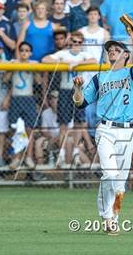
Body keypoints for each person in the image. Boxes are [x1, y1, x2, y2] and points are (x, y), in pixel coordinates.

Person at [72, 29, 133, 235]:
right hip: (106, 129)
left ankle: (114, 216)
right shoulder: (99, 77)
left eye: (117, 49)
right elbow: (80, 103)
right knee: (110, 174)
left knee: (120, 183)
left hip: (127, 132)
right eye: (109, 50)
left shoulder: (131, 73)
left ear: (126, 55)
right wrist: (78, 89)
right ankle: (107, 217)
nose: (112, 51)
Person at [42, 31, 96, 168]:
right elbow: (45, 60)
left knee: (80, 122)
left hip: (78, 90)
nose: (76, 45)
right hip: (65, 90)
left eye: (79, 42)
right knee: (63, 123)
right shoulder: (63, 54)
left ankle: (76, 152)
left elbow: (94, 60)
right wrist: (65, 62)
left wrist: (77, 64)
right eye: (73, 42)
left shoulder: (84, 55)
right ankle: (61, 153)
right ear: (69, 42)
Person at [5, 42, 41, 170]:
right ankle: (16, 158)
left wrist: (33, 69)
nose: (24, 53)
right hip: (16, 98)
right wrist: (13, 67)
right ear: (18, 52)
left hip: (28, 98)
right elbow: (5, 79)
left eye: (27, 50)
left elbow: (38, 81)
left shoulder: (34, 63)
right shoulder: (14, 62)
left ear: (30, 53)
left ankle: (29, 157)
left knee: (29, 130)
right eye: (22, 50)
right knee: (17, 130)